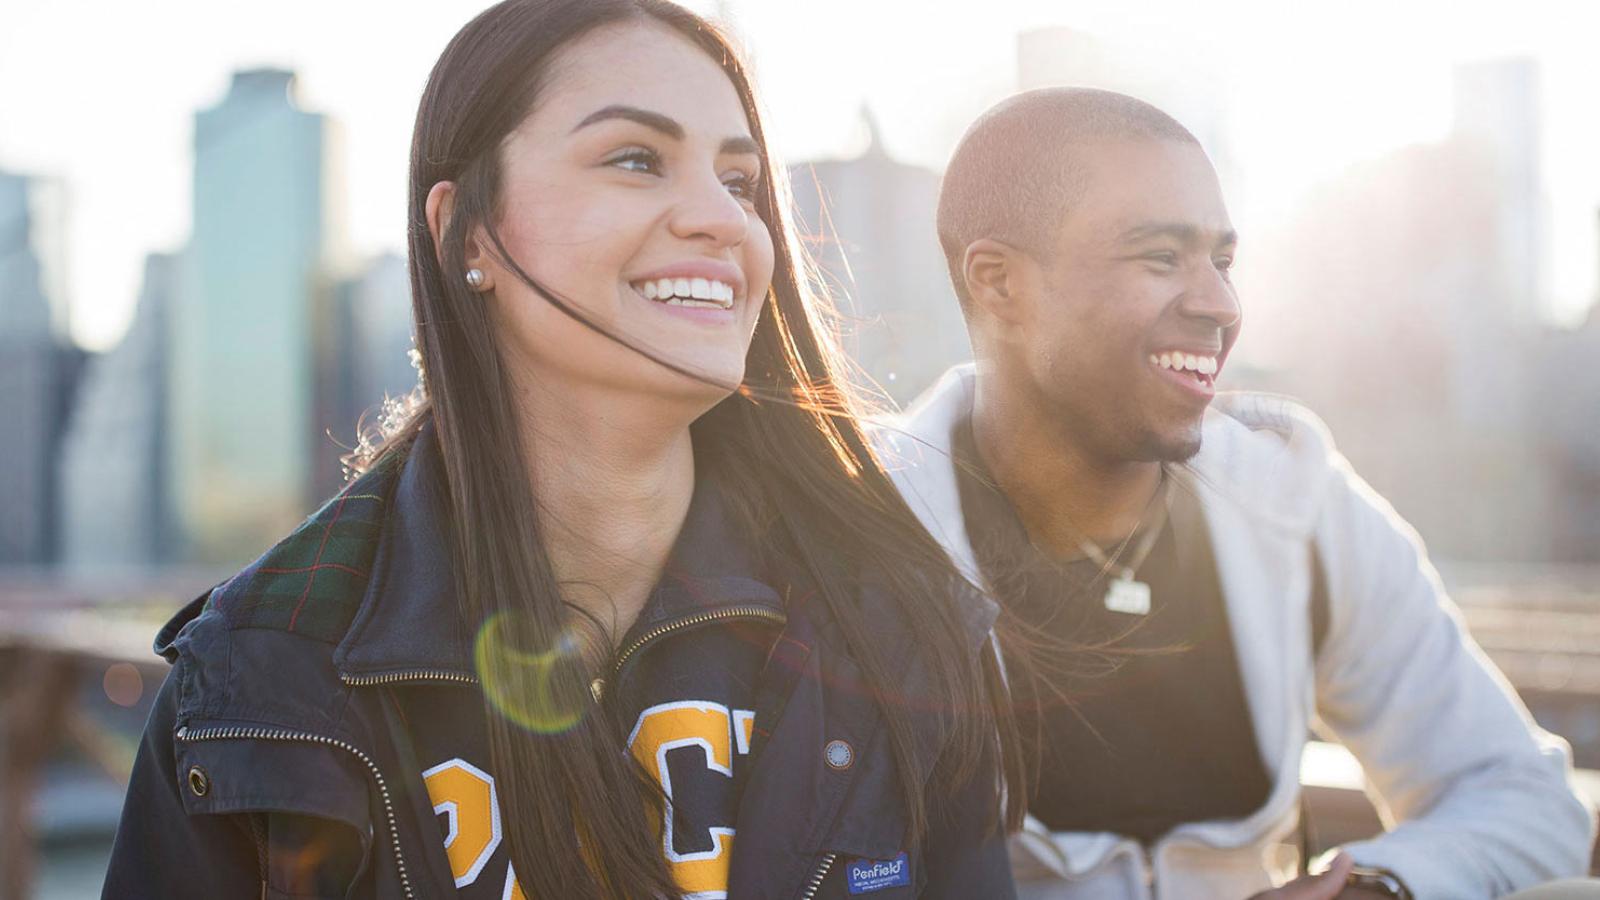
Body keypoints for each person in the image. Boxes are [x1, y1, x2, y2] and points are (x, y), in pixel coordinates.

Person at [102, 2, 1019, 897]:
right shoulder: (258, 681)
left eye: (740, 182)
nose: (724, 219)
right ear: (468, 233)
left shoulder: (902, 630)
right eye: (635, 159)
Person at [873, 87, 1597, 899]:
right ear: (999, 283)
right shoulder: (870, 520)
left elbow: (1525, 799)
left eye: (1221, 260)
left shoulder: (1291, 499)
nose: (1220, 304)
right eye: (1160, 257)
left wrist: (1374, 889)